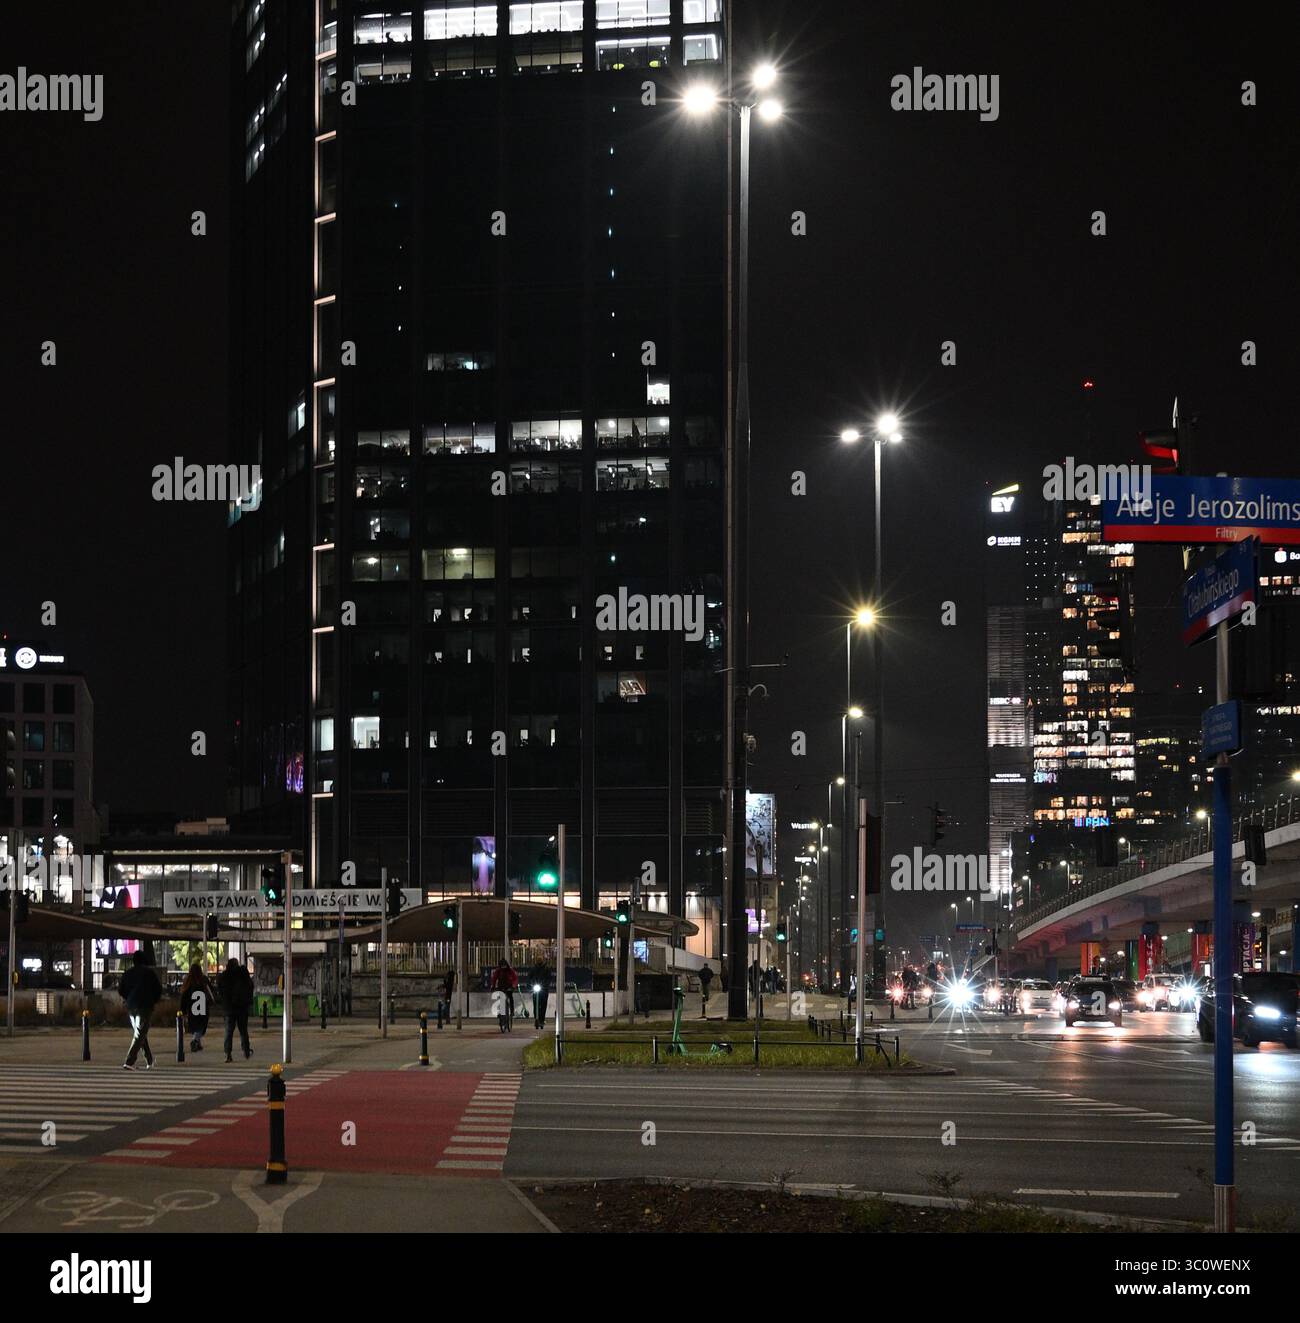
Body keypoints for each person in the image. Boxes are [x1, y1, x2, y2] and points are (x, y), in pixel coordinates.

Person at [119, 951, 162, 1071]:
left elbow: (121, 989)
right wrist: (154, 1000)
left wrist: (128, 998)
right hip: (145, 1005)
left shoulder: (128, 973)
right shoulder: (149, 973)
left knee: (140, 1033)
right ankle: (129, 1061)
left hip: (131, 1006)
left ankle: (149, 1060)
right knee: (140, 1033)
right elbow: (158, 989)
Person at [218, 957, 255, 1062]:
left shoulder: (224, 976)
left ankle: (227, 1053)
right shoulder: (242, 974)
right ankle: (246, 1051)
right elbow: (250, 986)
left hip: (229, 1008)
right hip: (242, 1007)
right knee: (243, 1030)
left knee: (228, 1031)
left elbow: (220, 991)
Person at [179, 963, 215, 1052]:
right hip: (203, 1007)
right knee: (201, 1027)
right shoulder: (203, 980)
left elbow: (184, 997)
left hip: (192, 1008)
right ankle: (195, 1041)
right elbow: (211, 991)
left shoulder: (188, 981)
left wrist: (182, 1010)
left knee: (195, 1026)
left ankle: (198, 1043)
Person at [530, 957, 550, 1029]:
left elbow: (549, 978)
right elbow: (530, 977)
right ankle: (536, 1018)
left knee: (543, 1005)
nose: (539, 961)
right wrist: (531, 984)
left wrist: (546, 985)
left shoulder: (546, 969)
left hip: (544, 989)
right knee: (535, 1004)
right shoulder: (533, 968)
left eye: (540, 961)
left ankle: (542, 1020)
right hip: (536, 988)